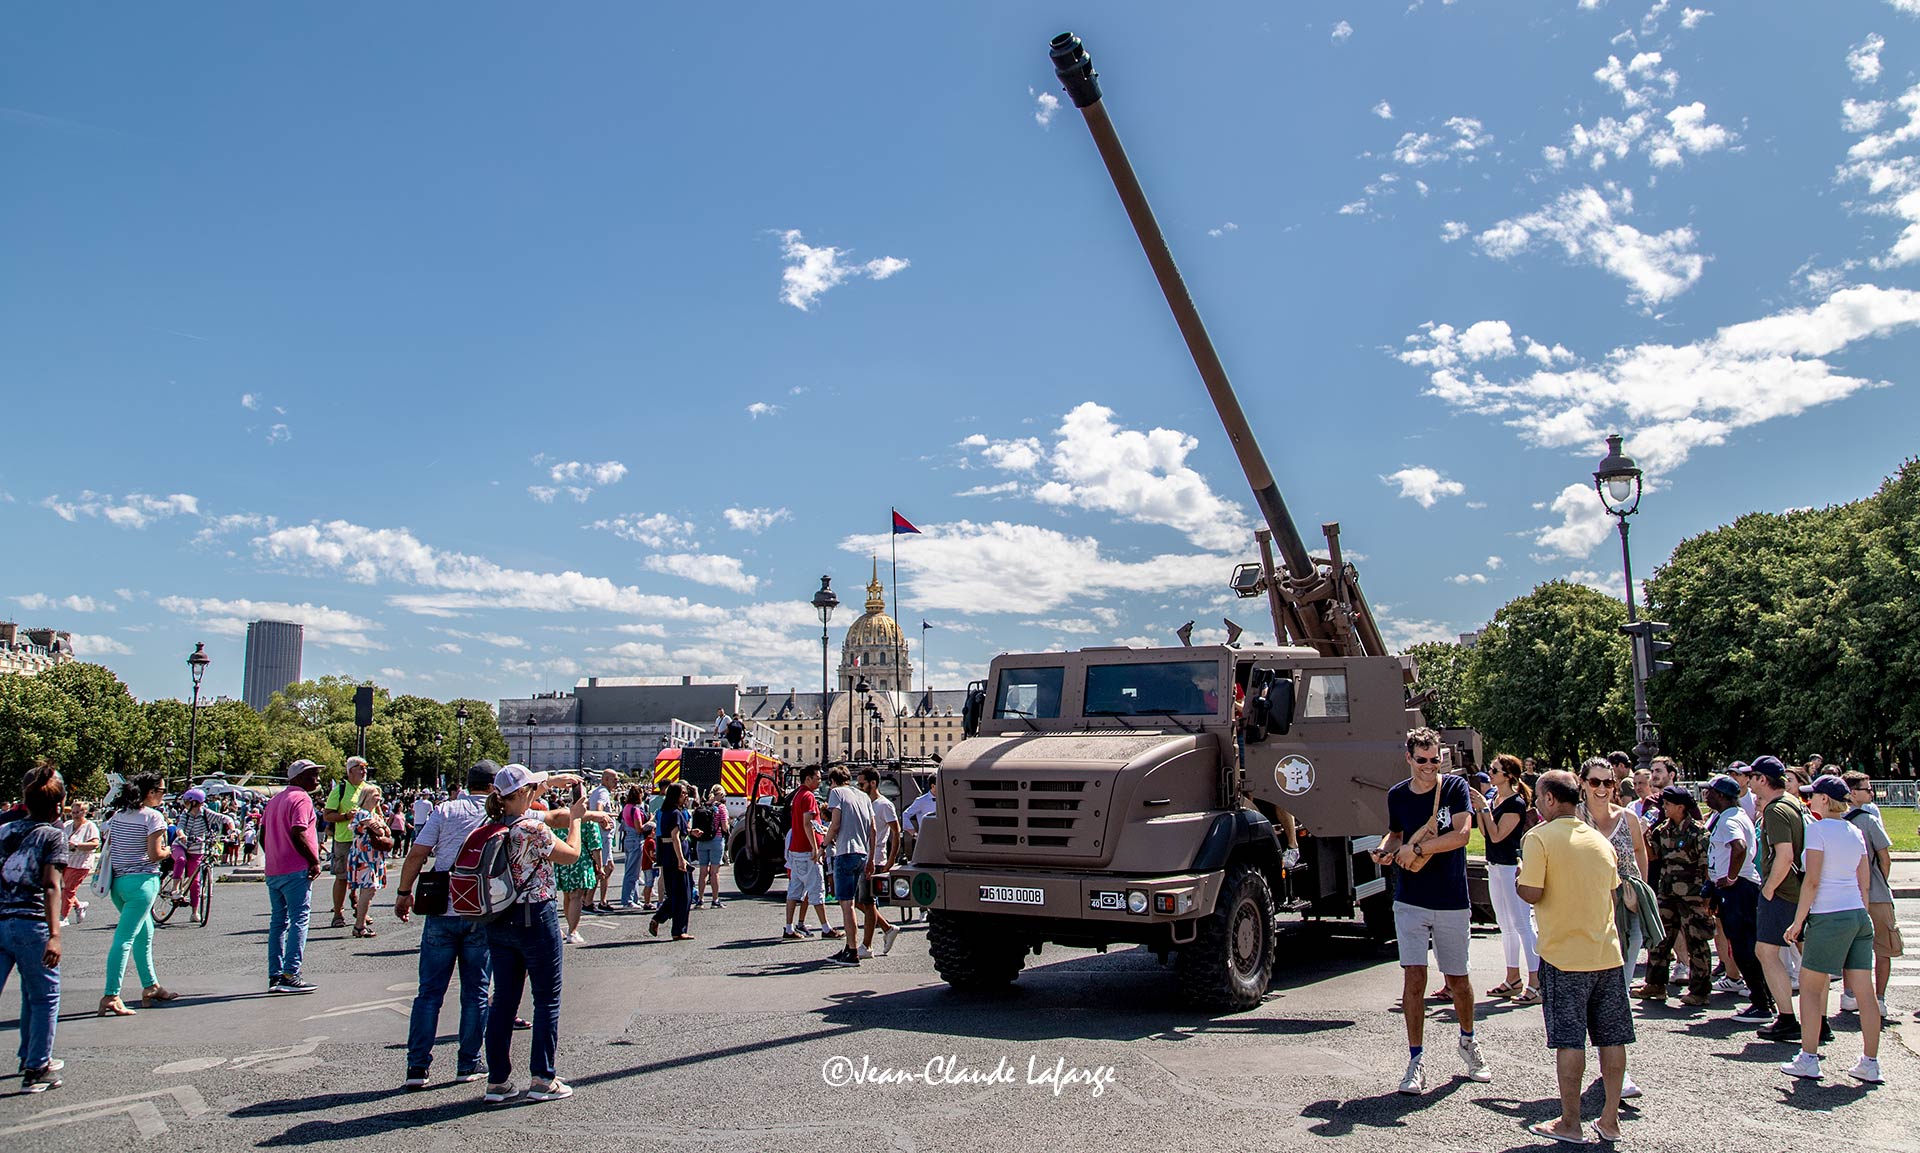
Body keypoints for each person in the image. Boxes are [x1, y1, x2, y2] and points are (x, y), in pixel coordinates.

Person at [1368, 727, 1488, 1094]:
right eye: (1422, 760)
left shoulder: (1453, 789)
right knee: (1414, 979)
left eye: (1435, 759)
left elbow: (1462, 836)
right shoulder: (1397, 796)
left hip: (1451, 896)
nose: (1429, 766)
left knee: (1458, 982)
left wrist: (1418, 851)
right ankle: (1416, 1060)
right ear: (1409, 758)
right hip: (1410, 898)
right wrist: (1385, 848)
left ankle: (1468, 1041)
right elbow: (1396, 833)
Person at [1516, 770, 1633, 1146]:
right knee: (1612, 1039)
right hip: (1607, 953)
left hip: (1564, 957)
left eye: (1538, 796)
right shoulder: (1600, 841)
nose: (1535, 802)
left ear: (1550, 799)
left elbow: (1532, 892)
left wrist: (1520, 878)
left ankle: (1570, 1122)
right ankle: (1610, 1120)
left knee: (1570, 1042)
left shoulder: (1538, 838)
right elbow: (1610, 895)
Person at [481, 763, 585, 1104]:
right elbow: (570, 855)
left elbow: (526, 791)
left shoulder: (491, 824)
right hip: (534, 915)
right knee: (546, 999)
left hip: (498, 917)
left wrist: (548, 782)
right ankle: (542, 1077)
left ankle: (497, 1081)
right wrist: (577, 819)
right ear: (525, 794)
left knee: (503, 1003)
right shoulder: (531, 829)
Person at [396, 761, 496, 1089]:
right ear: (494, 785)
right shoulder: (497, 814)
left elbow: (417, 854)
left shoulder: (446, 810)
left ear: (468, 783)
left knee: (429, 993)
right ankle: (468, 1062)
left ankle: (417, 1067)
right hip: (479, 907)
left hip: (442, 905)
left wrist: (404, 892)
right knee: (476, 992)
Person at [1779, 775, 1883, 1083]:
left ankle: (1809, 1058)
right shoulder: (1854, 830)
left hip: (1829, 913)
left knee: (1811, 989)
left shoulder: (1817, 830)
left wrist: (1798, 922)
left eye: (1815, 796)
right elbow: (1863, 881)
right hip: (1856, 914)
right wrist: (1860, 914)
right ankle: (1871, 1061)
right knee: (1865, 991)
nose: (1810, 800)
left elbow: (1812, 881)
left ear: (1825, 799)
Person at [0, 763, 69, 1093]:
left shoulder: (4, 831)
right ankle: (37, 1066)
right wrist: (55, 935)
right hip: (31, 924)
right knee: (43, 996)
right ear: (60, 804)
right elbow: (51, 885)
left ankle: (29, 1054)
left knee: (29, 994)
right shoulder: (54, 835)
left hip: (0, 920)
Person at [1750, 756, 1826, 1046]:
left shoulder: (1775, 810)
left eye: (1753, 776)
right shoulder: (1793, 802)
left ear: (1762, 780)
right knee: (1810, 959)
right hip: (1799, 892)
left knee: (1766, 952)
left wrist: (1768, 890)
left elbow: (1784, 855)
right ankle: (1819, 1022)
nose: (1750, 781)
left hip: (1783, 892)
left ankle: (1786, 1018)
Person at [1577, 758, 1652, 1003]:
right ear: (1583, 783)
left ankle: (1617, 1018)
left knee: (1624, 969)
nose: (1602, 788)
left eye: (1608, 782)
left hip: (1626, 903)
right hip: (1588, 904)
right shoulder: (1573, 817)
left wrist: (1641, 891)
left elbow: (1640, 852)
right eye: (1595, 781)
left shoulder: (1627, 818)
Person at [100, 772, 172, 1015]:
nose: (163, 795)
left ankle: (151, 985)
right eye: (161, 791)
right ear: (150, 793)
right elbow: (154, 855)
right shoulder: (153, 817)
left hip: (118, 884)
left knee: (145, 933)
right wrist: (168, 850)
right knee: (125, 939)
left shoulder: (119, 816)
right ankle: (111, 994)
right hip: (142, 882)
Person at [1638, 786, 1715, 1007]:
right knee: (1660, 938)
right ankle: (1655, 984)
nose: (1664, 807)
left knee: (1697, 941)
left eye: (1668, 804)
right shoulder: (1662, 830)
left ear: (1680, 807)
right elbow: (1654, 856)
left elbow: (1706, 866)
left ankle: (1700, 991)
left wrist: (1707, 896)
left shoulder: (1698, 833)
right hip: (1668, 893)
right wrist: (1643, 836)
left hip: (1693, 895)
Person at [1471, 754, 1538, 1004]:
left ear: (1509, 775)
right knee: (1505, 925)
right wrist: (1480, 807)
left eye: (1495, 770)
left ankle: (1536, 982)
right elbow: (1484, 831)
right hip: (1495, 866)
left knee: (1522, 924)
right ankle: (1513, 978)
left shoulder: (1516, 803)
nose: (1491, 773)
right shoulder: (1494, 799)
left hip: (1512, 867)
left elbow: (1498, 835)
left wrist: (1485, 808)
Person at [262, 759, 323, 994]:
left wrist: (275, 855)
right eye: (313, 775)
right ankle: (291, 973)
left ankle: (275, 974)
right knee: (299, 918)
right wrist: (313, 860)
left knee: (278, 922)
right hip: (296, 868)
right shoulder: (301, 799)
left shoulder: (275, 800)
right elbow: (298, 832)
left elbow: (263, 835)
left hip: (274, 869)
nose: (316, 780)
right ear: (298, 778)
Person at [1841, 771, 1898, 1020]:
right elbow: (1884, 857)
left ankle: (1849, 993)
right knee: (1883, 948)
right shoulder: (1868, 820)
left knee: (1849, 946)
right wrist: (1881, 880)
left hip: (1845, 893)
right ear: (1853, 793)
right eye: (1867, 789)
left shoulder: (1833, 821)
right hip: (1875, 892)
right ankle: (1879, 998)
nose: (1871, 793)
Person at [822, 766, 875, 967]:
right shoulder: (863, 796)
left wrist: (823, 845)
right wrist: (870, 859)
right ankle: (848, 947)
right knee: (853, 902)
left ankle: (852, 952)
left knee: (847, 905)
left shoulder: (836, 793)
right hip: (862, 854)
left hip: (845, 852)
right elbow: (873, 829)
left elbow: (835, 824)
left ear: (833, 781)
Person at [783, 766, 835, 940]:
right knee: (817, 889)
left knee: (794, 890)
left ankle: (789, 928)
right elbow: (808, 823)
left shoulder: (798, 795)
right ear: (808, 779)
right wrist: (815, 847)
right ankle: (826, 928)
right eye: (817, 778)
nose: (820, 781)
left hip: (796, 850)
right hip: (807, 850)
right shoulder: (809, 797)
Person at [857, 768, 902, 958]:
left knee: (867, 903)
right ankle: (887, 928)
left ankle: (867, 946)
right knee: (858, 901)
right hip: (863, 857)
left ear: (873, 783)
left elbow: (896, 832)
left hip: (875, 860)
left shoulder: (884, 805)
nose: (859, 787)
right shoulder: (866, 803)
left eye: (861, 784)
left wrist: (891, 859)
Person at [320, 757, 370, 929]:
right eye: (360, 767)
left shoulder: (369, 789)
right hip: (345, 840)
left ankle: (361, 911)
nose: (364, 771)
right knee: (342, 877)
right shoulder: (340, 790)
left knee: (365, 879)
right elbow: (327, 815)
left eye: (365, 767)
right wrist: (346, 816)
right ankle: (338, 913)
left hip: (365, 839)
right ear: (350, 771)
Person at [170, 788, 233, 922]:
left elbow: (225, 818)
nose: (185, 804)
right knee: (180, 860)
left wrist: (232, 830)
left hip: (197, 849)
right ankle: (175, 890)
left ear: (193, 803)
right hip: (180, 845)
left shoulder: (206, 814)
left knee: (196, 882)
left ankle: (195, 912)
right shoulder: (185, 815)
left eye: (187, 801)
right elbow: (179, 828)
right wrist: (182, 836)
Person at [555, 784, 602, 944]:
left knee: (568, 895)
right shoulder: (587, 818)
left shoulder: (563, 815)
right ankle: (572, 931)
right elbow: (595, 845)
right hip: (580, 860)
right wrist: (600, 866)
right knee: (577, 896)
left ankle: (570, 928)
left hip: (563, 858)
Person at [648, 783, 695, 940]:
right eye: (682, 793)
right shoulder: (675, 813)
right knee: (684, 894)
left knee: (675, 894)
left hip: (668, 855)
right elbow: (675, 836)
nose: (685, 796)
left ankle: (659, 918)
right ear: (675, 795)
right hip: (676, 855)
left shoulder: (665, 811)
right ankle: (678, 930)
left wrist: (689, 831)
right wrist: (681, 859)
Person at [346, 786, 392, 937]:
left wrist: (379, 817)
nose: (378, 798)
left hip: (373, 855)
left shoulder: (372, 814)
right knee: (369, 889)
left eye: (379, 795)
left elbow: (387, 831)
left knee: (369, 890)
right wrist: (379, 824)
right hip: (364, 856)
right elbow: (380, 831)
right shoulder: (362, 813)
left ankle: (361, 923)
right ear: (366, 797)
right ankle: (359, 925)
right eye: (375, 795)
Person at [58, 800, 99, 926]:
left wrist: (77, 845)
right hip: (66, 861)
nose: (75, 815)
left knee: (68, 890)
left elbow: (95, 844)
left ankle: (63, 917)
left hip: (81, 863)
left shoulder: (90, 826)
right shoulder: (67, 824)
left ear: (85, 812)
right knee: (62, 888)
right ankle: (79, 905)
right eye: (73, 812)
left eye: (78, 812)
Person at [694, 785, 729, 908]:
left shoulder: (702, 806)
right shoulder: (721, 808)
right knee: (714, 872)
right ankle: (715, 900)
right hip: (716, 840)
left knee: (703, 871)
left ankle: (700, 900)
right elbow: (724, 827)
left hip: (702, 840)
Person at [588, 770, 618, 912]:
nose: (617, 782)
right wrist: (604, 822)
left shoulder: (598, 791)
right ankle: (589, 900)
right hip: (603, 836)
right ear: (606, 779)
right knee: (602, 869)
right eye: (615, 780)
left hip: (604, 836)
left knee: (608, 867)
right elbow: (599, 807)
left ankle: (601, 900)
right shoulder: (603, 793)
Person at [618, 785, 651, 909]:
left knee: (633, 871)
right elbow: (639, 828)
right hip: (636, 839)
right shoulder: (636, 810)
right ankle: (628, 900)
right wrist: (650, 821)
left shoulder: (626, 807)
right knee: (632, 872)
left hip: (628, 838)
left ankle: (634, 898)